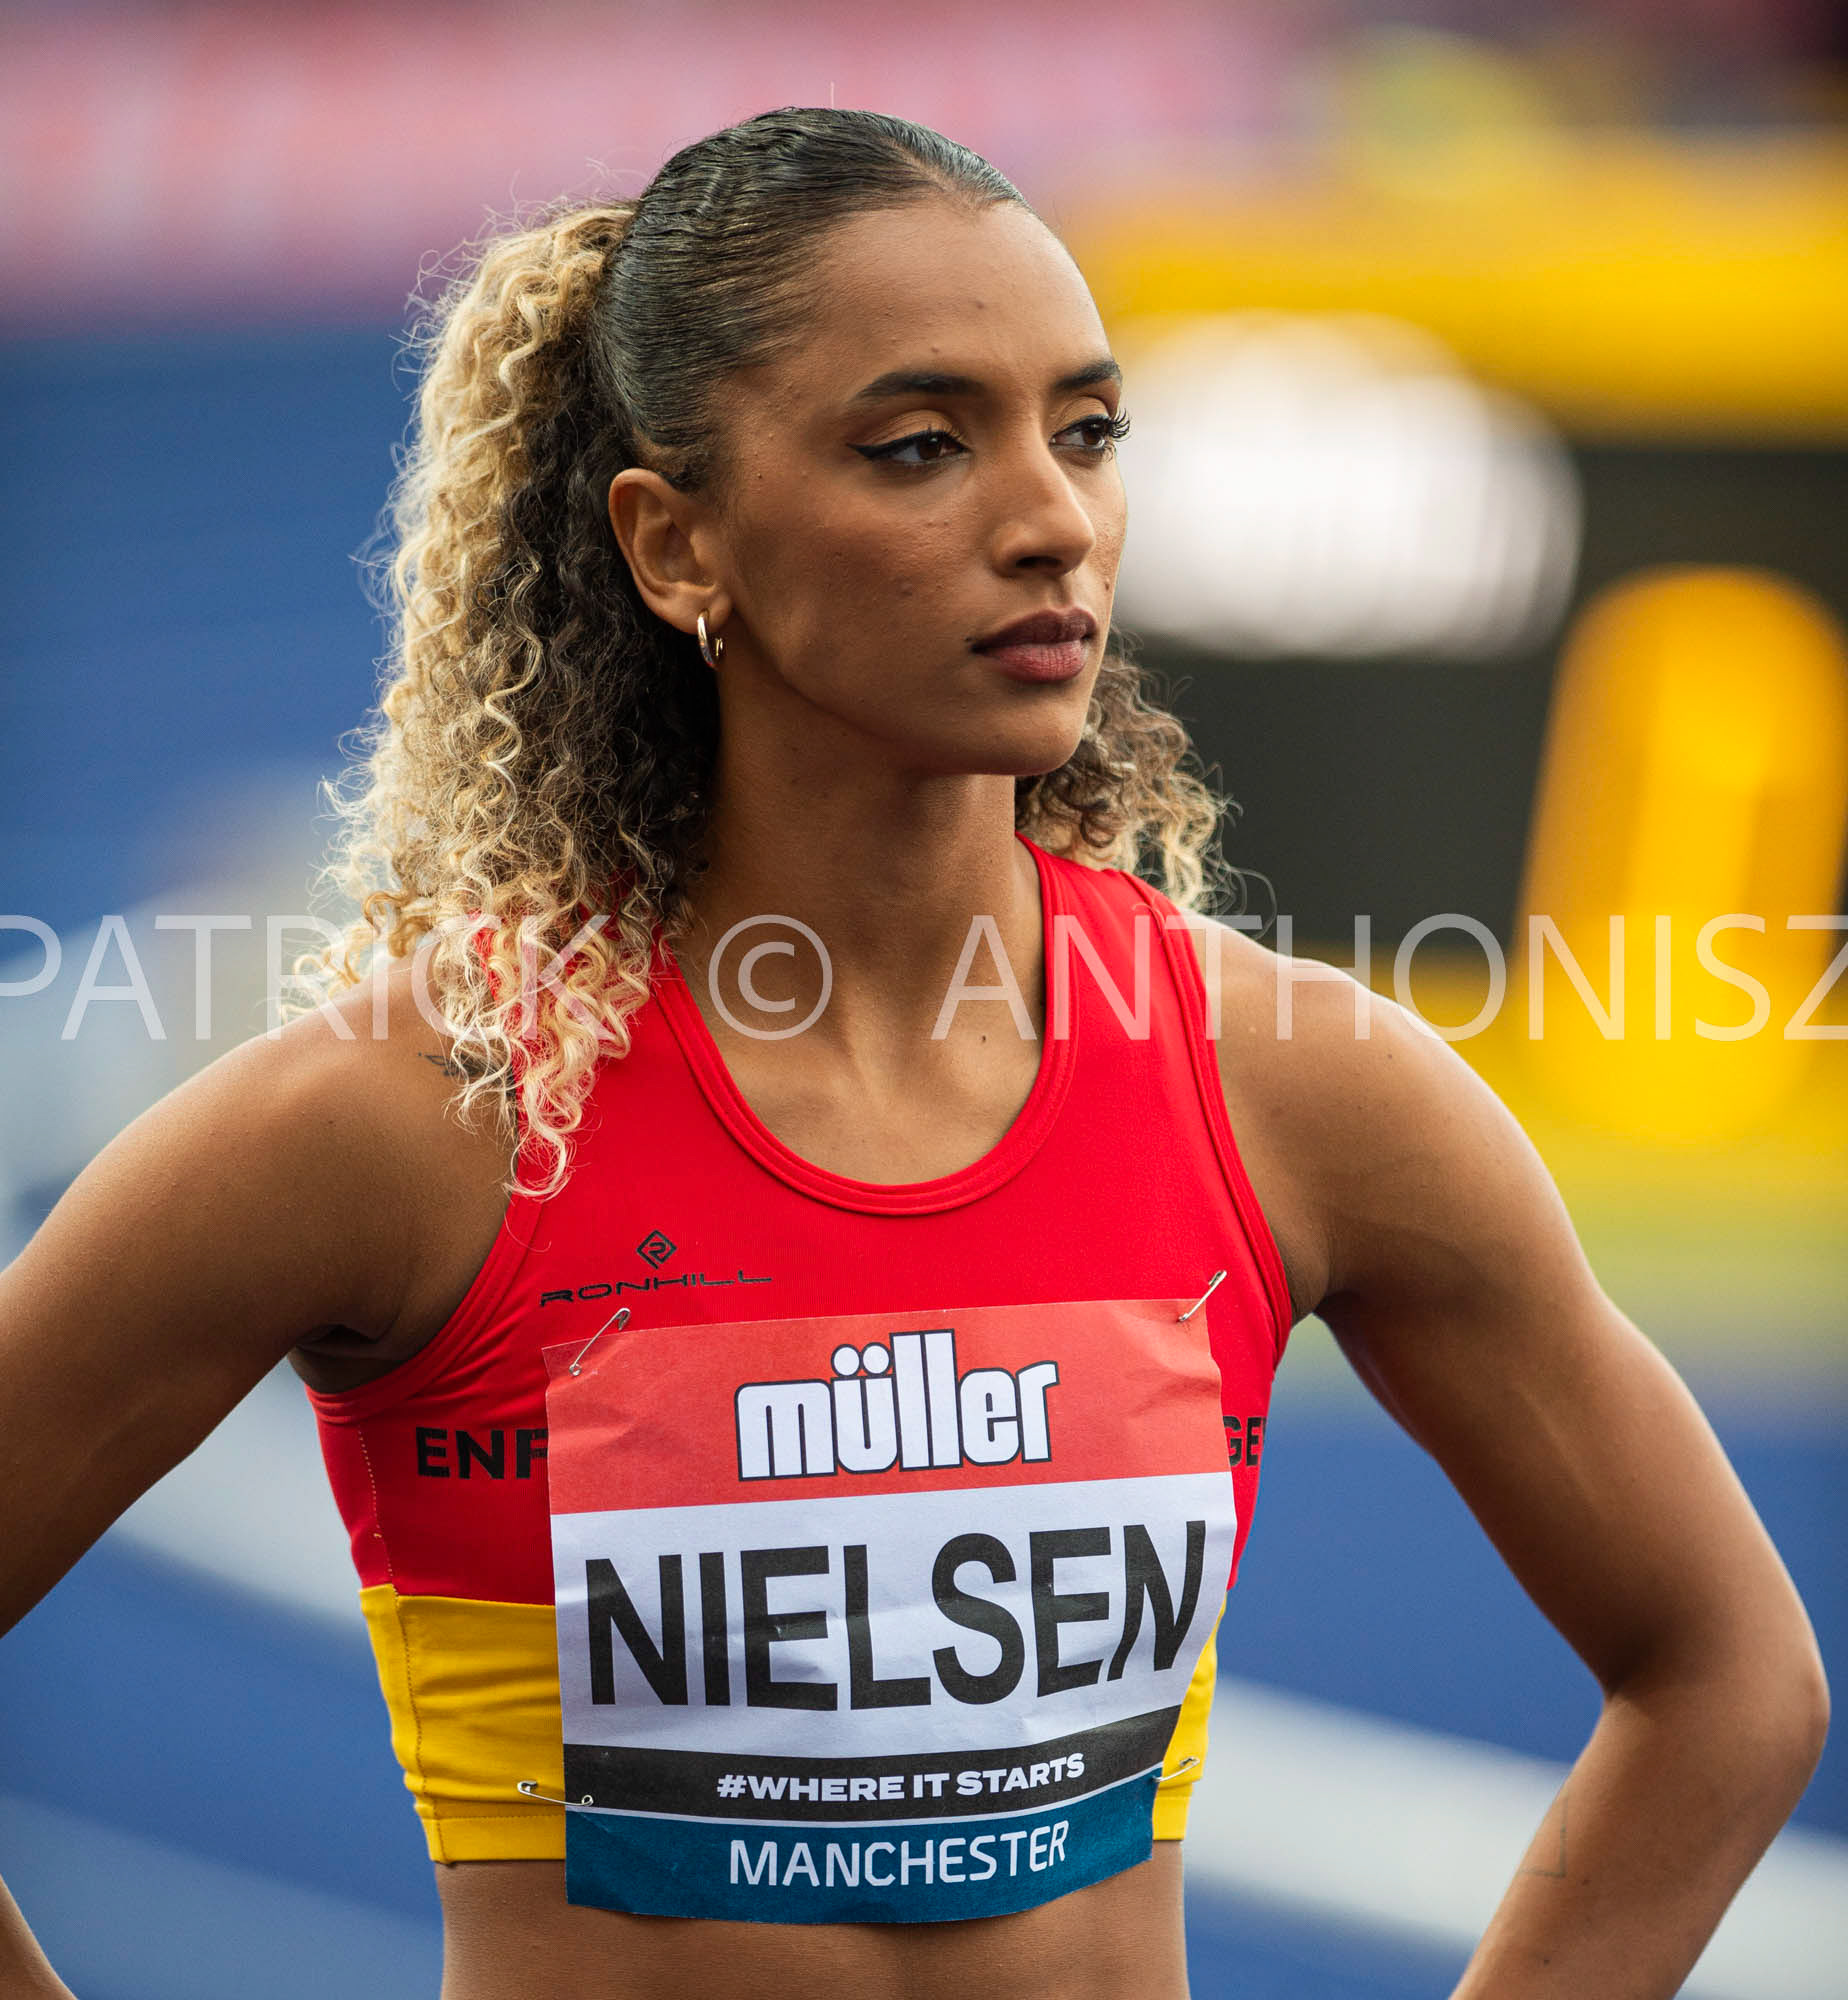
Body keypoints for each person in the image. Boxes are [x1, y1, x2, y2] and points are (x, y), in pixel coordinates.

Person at [0, 107, 1826, 2000]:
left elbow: (1729, 1676)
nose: (1050, 516)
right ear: (673, 541)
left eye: (1090, 429)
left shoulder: (1300, 1091)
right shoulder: (409, 1124)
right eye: (923, 445)